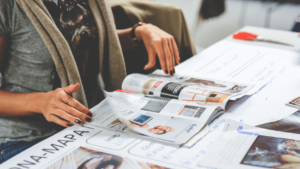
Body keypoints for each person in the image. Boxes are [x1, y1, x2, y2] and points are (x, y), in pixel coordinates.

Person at [0, 0, 183, 164]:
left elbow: (87, 41)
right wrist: (41, 102)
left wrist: (138, 32)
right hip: (26, 140)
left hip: (88, 123)